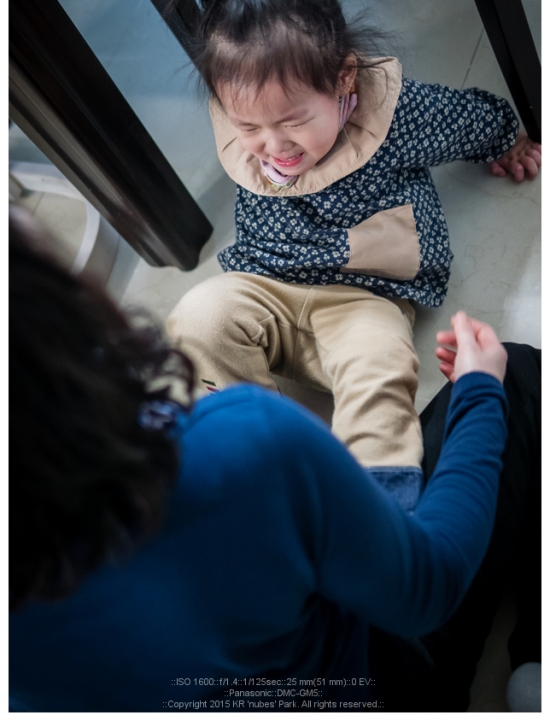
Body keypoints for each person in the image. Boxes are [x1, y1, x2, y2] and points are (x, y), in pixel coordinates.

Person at [9, 206, 540, 711]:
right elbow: (428, 584)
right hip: (384, 688)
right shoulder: (245, 444)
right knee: (520, 375)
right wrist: (479, 389)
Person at [164, 0, 541, 511]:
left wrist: (506, 139)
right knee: (196, 315)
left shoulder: (390, 116)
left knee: (379, 366)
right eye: (249, 126)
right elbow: (258, 128)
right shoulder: (247, 124)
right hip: (265, 285)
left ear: (343, 79)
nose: (273, 146)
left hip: (364, 296)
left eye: (293, 121)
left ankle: (382, 503)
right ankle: (247, 468)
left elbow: (461, 118)